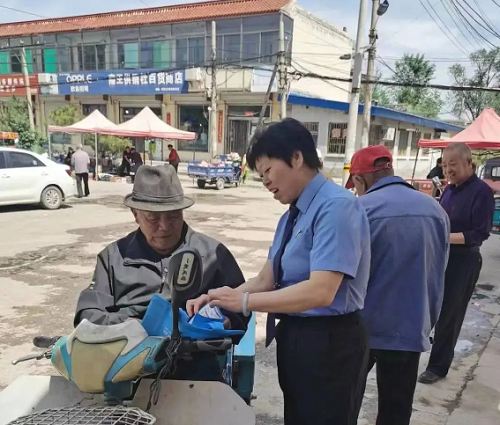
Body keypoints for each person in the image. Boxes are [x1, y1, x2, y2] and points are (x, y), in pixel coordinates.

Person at [188, 118, 371, 425]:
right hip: (296, 336)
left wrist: (244, 303)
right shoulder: (292, 216)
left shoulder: (336, 207)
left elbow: (321, 291)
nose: (266, 182)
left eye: (268, 171)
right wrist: (218, 297)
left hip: (330, 343)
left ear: (297, 157)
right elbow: (266, 279)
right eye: (261, 176)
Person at [74, 165, 249, 381]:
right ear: (135, 215)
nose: (165, 226)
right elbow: (87, 315)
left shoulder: (214, 254)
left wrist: (225, 322)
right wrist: (129, 325)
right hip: (127, 370)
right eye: (153, 218)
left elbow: (241, 309)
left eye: (173, 216)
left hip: (197, 368)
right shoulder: (113, 257)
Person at [346, 145, 450, 425]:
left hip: (362, 326)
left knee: (344, 402)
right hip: (411, 326)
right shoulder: (435, 210)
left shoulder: (359, 208)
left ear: (359, 179)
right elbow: (439, 269)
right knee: (396, 408)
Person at [419, 143, 495, 385]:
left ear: (468, 163)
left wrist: (444, 237)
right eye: (444, 165)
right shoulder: (450, 190)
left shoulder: (481, 192)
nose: (447, 169)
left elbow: (479, 233)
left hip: (464, 259)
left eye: (452, 164)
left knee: (450, 314)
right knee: (432, 307)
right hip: (442, 256)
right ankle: (430, 347)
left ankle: (437, 366)